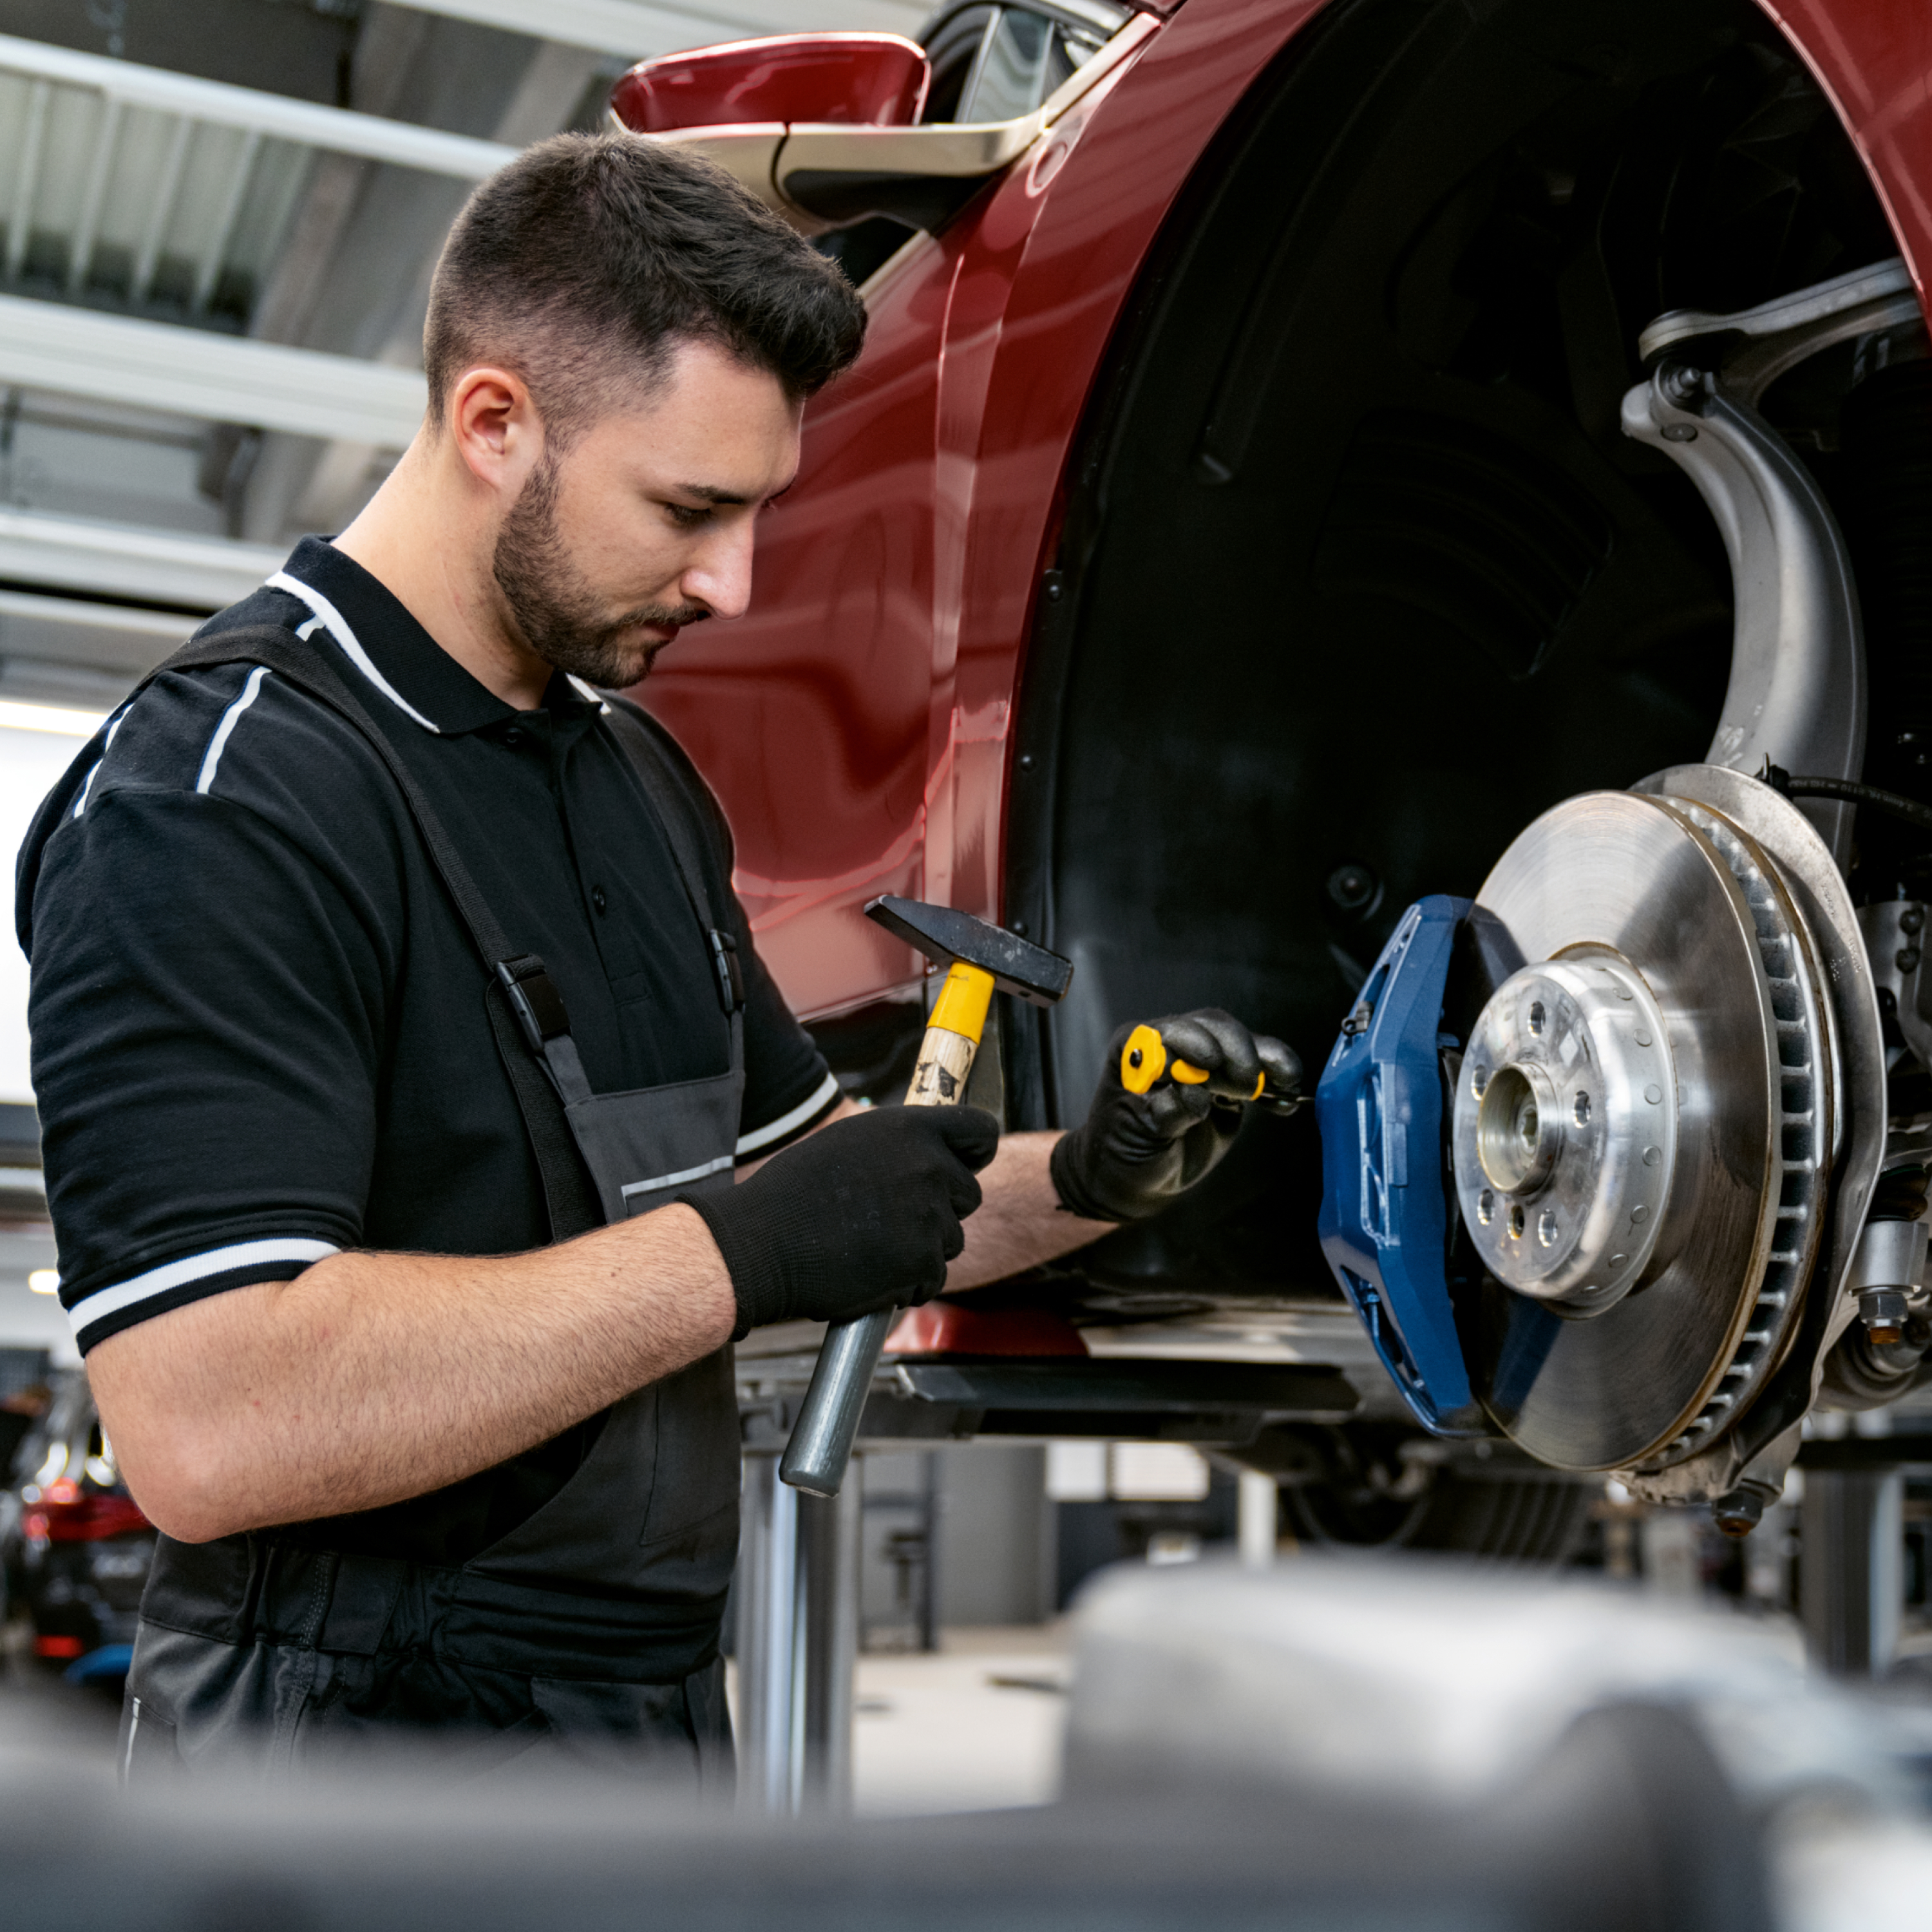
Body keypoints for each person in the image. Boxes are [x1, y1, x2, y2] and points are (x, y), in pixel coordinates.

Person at [17, 134, 1299, 1783]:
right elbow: (207, 1419)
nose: (731, 580)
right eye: (691, 508)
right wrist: (733, 1258)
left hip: (638, 1716)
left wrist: (1104, 1177)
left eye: (758, 510)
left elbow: (828, 1191)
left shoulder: (634, 784)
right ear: (496, 423)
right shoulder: (223, 793)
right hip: (339, 1763)